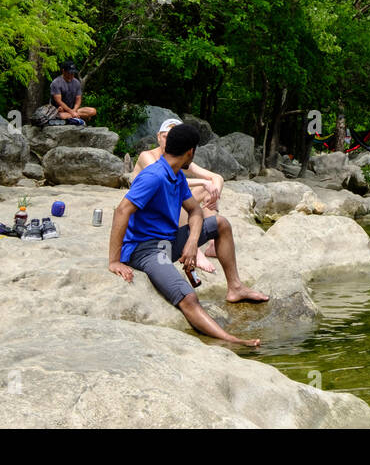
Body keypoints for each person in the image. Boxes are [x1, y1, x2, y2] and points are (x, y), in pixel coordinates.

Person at [109, 123, 268, 347]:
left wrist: (192, 243)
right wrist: (115, 260)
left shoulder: (177, 176)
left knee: (220, 223)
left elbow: (194, 211)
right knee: (188, 297)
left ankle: (235, 288)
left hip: (170, 241)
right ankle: (232, 340)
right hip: (145, 249)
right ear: (190, 152)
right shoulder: (154, 176)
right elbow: (121, 211)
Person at [132, 118, 221, 273]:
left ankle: (212, 242)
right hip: (147, 208)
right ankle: (195, 249)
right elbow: (163, 180)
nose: (167, 141)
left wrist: (215, 193)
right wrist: (203, 182)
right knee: (176, 195)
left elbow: (216, 177)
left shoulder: (181, 157)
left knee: (208, 189)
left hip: (166, 202)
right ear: (158, 136)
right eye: (165, 136)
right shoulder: (147, 156)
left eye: (171, 137)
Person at [50, 61, 96, 125]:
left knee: (93, 111)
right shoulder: (56, 83)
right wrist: (71, 112)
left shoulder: (76, 82)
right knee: (61, 115)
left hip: (73, 110)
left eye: (73, 73)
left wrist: (74, 110)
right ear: (63, 71)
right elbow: (58, 101)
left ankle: (72, 117)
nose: (71, 75)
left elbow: (78, 99)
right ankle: (77, 117)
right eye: (69, 73)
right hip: (59, 111)